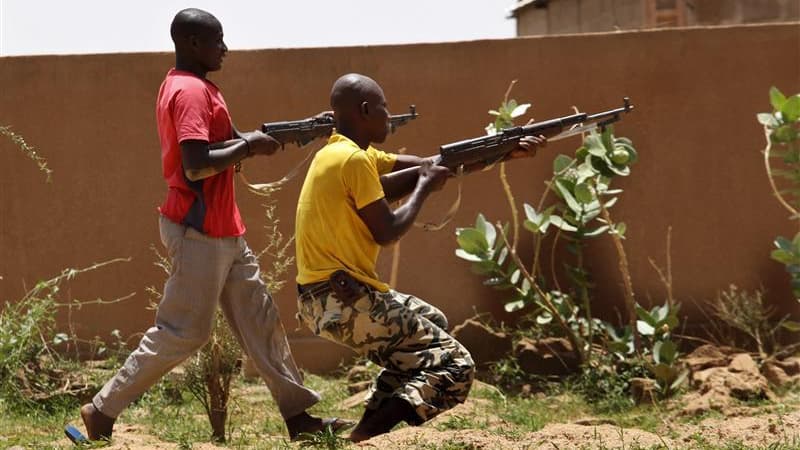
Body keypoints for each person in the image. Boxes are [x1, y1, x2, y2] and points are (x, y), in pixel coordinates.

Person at [75, 8, 351, 442]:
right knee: (183, 332)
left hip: (224, 230)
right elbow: (196, 166)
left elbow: (226, 143)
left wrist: (289, 133)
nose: (225, 47)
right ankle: (102, 409)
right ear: (190, 43)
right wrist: (248, 147)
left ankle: (300, 419)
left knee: (260, 321)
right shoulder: (187, 92)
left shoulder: (201, 88)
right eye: (217, 39)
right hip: (198, 230)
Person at [293, 73, 545, 442]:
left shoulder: (339, 154)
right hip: (343, 300)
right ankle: (373, 431)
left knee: (432, 321)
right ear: (365, 110)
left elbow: (434, 164)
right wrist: (425, 187)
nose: (389, 115)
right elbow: (389, 230)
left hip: (324, 297)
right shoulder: (354, 161)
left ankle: (366, 427)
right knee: (456, 365)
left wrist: (504, 150)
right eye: (384, 107)